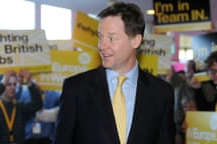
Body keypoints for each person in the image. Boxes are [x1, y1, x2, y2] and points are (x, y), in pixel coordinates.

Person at [54, 2, 175, 144]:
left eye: (111, 38)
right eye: (100, 37)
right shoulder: (76, 88)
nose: (101, 46)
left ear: (135, 41)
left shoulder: (161, 93)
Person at [0, 70, 43, 144]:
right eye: (8, 84)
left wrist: (30, 83)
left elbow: (37, 105)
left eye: (15, 84)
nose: (13, 87)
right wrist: (2, 84)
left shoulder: (19, 106)